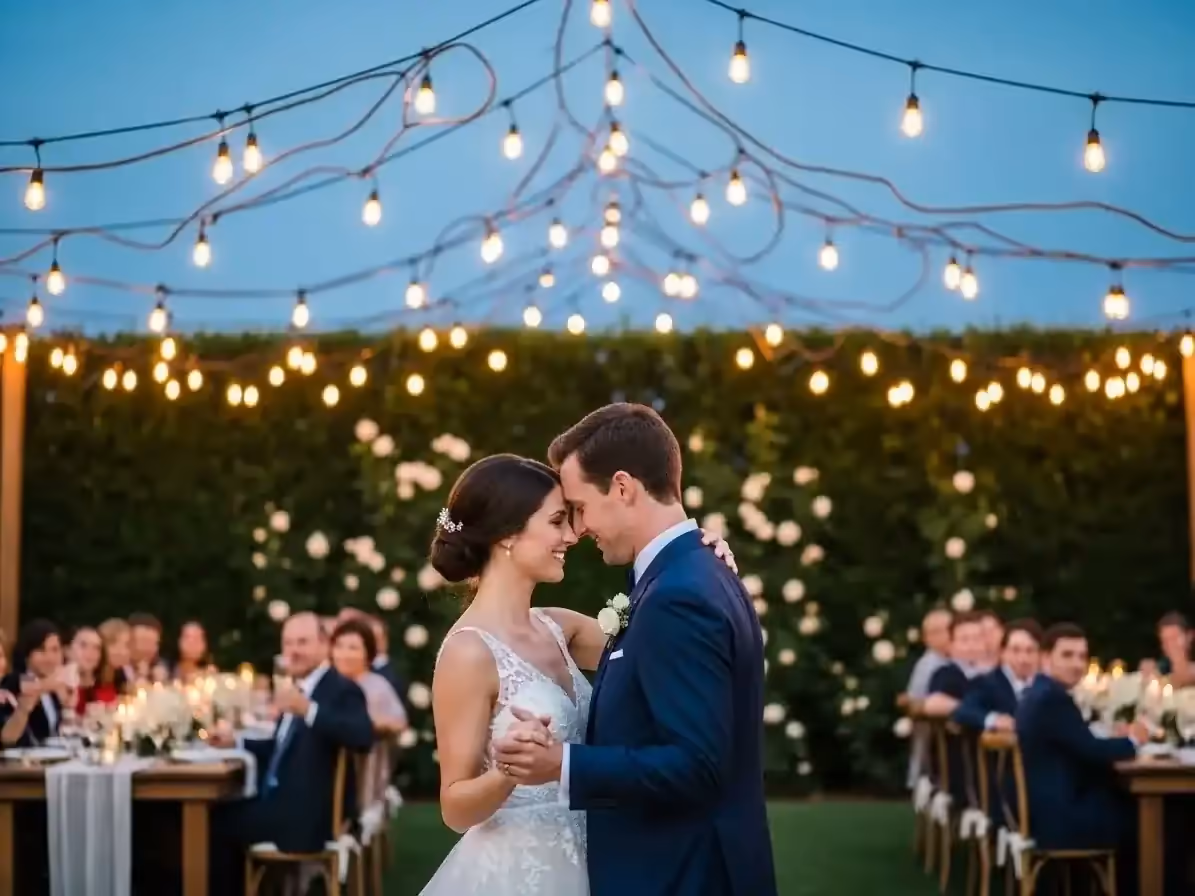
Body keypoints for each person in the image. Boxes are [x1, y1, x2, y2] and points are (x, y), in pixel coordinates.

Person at [419, 441, 742, 896]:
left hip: (596, 862)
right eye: (556, 521)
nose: (572, 535)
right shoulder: (467, 654)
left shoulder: (561, 628)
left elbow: (667, 647)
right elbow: (454, 806)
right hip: (518, 874)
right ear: (507, 535)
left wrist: (701, 567)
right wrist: (508, 772)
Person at [493, 402, 772, 896]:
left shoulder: (678, 595)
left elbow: (697, 766)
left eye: (579, 507)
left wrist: (562, 763)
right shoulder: (691, 573)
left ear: (622, 488)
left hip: (682, 876)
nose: (577, 530)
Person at [208, 611, 375, 896]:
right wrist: (236, 742)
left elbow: (363, 736)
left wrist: (308, 710)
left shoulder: (339, 689)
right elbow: (279, 747)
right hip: (281, 804)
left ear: (324, 646)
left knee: (211, 822)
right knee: (216, 811)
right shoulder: (300, 687)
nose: (293, 651)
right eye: (288, 644)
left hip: (306, 818)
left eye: (302, 642)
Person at [329, 617, 408, 803]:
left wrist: (367, 724)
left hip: (364, 771)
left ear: (368, 653)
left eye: (353, 648)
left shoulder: (377, 686)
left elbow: (399, 723)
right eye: (339, 646)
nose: (344, 654)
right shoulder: (327, 683)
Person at [952, 618, 1043, 733]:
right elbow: (964, 711)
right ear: (1002, 652)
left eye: (1030, 651)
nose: (1023, 659)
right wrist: (994, 720)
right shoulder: (986, 683)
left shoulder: (1047, 684)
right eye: (1015, 650)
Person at [0, 619, 66, 746]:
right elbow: (7, 739)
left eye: (55, 650)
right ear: (27, 654)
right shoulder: (13, 682)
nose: (50, 657)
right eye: (41, 650)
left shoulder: (52, 690)